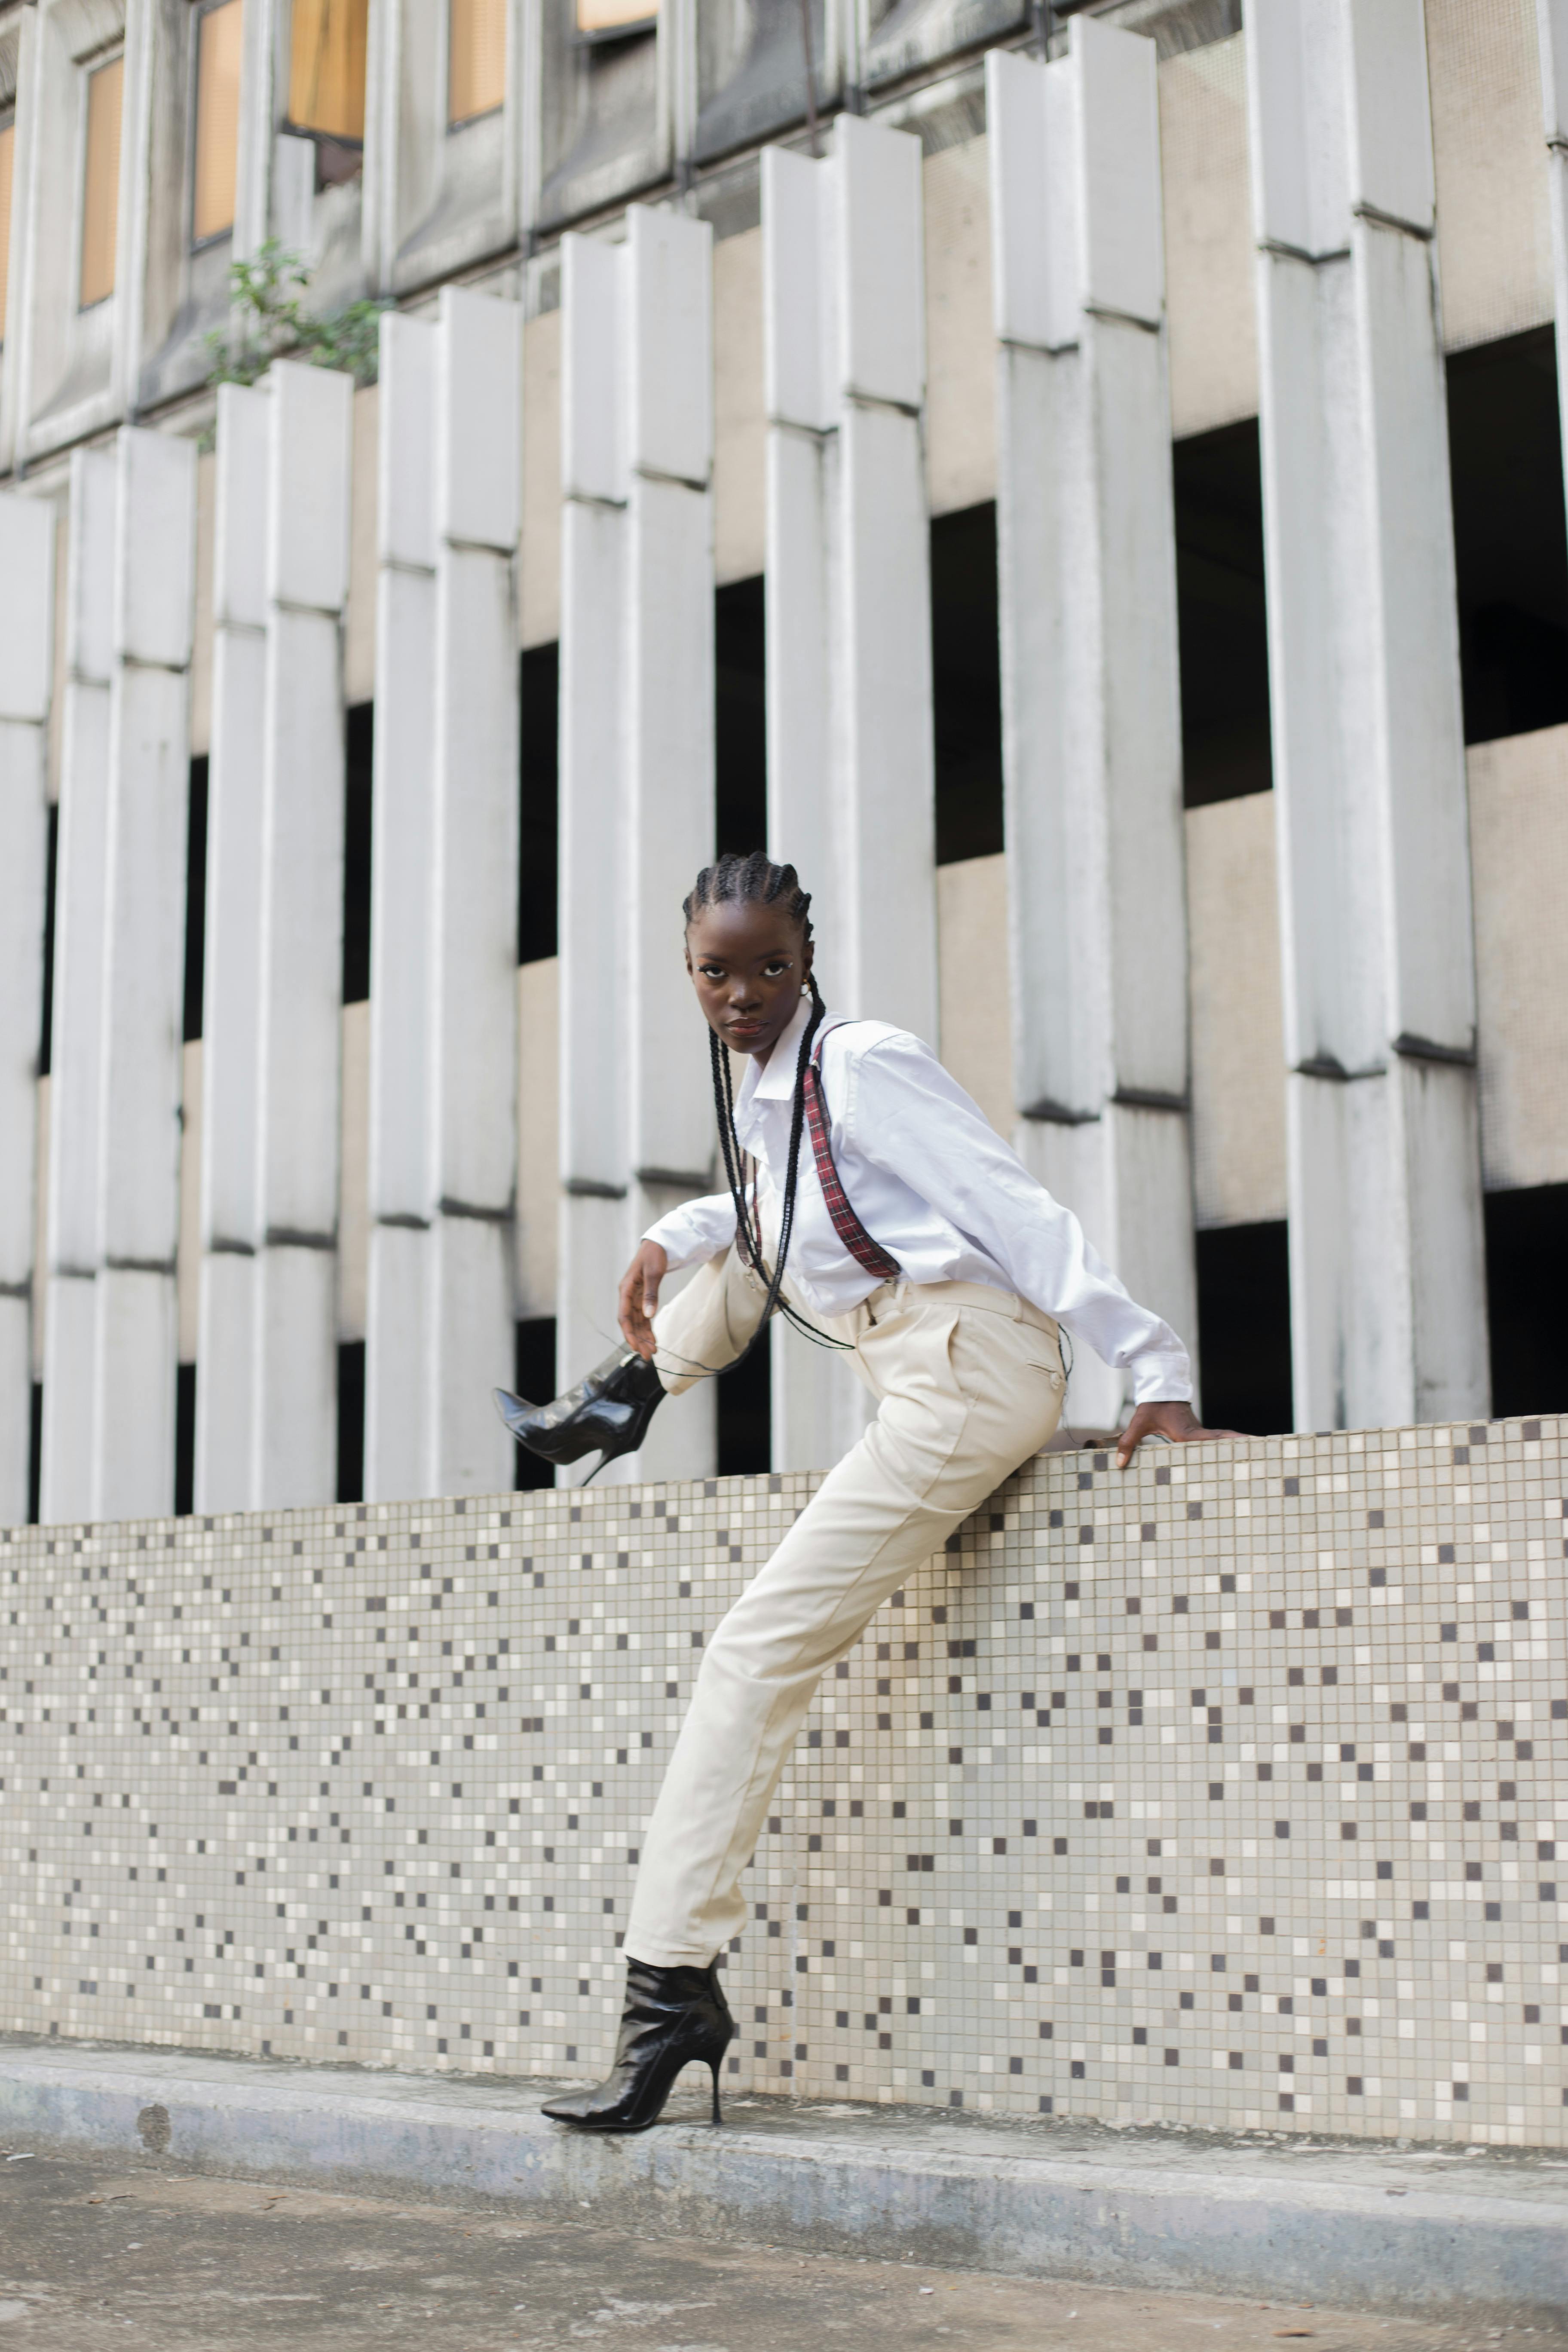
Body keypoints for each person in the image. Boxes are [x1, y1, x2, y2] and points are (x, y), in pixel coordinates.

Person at [493, 852, 1238, 2132]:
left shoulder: (865, 1059)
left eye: (769, 968)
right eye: (717, 973)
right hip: (915, 1358)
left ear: (807, 957)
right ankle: (619, 1400)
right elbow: (775, 1203)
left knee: (750, 1652)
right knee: (743, 1248)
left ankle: (668, 1993)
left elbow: (1016, 1209)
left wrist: (1153, 1368)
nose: (742, 995)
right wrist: (677, 1231)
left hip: (969, 1370)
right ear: (691, 970)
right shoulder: (777, 1088)